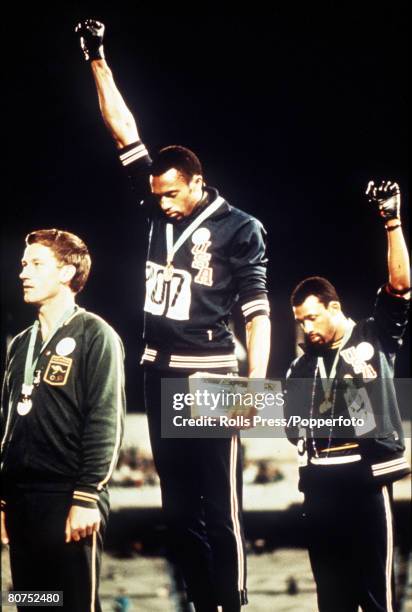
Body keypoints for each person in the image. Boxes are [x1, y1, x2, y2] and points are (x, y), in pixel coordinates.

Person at [75, 19, 271, 611]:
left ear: (197, 184)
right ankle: (198, 602)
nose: (159, 204)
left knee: (220, 505)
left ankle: (232, 603)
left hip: (213, 374)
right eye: (155, 195)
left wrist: (256, 386)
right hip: (158, 372)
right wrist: (97, 59)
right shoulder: (156, 200)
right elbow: (122, 131)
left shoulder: (241, 229)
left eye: (170, 196)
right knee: (178, 508)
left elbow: (258, 311)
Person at [285, 180, 410, 612]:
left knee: (377, 598)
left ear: (334, 309)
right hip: (319, 486)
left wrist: (391, 220)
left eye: (313, 318)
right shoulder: (301, 366)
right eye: (301, 321)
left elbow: (400, 286)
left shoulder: (374, 337)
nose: (307, 329)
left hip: (365, 480)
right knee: (331, 602)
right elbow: (290, 427)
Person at [1, 229, 125, 612]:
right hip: (22, 502)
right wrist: (3, 500)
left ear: (67, 273)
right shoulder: (20, 344)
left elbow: (106, 420)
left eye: (37, 264)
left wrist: (87, 496)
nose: (24, 273)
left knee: (72, 605)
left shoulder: (96, 334)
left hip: (70, 497)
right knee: (32, 602)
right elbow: (7, 425)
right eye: (24, 264)